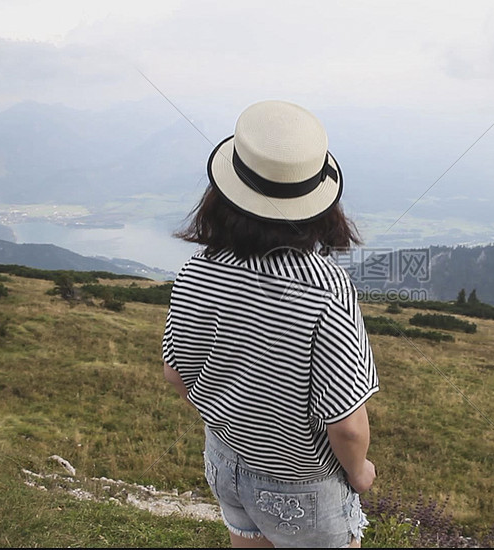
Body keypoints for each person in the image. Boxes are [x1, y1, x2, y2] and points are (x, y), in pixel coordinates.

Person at [162, 100, 379, 548]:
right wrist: (360, 473)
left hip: (224, 461)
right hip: (301, 486)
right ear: (319, 205)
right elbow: (347, 425)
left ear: (223, 195)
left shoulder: (197, 271)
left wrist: (234, 420)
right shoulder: (324, 287)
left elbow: (176, 373)